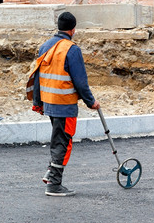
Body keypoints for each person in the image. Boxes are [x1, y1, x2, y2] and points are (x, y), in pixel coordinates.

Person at [26, 12, 100, 197]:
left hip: (50, 103)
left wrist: (38, 102)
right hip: (64, 105)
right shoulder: (71, 49)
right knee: (63, 143)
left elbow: (38, 76)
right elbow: (80, 81)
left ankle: (51, 173)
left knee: (58, 139)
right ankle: (54, 184)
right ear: (73, 29)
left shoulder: (46, 46)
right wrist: (91, 102)